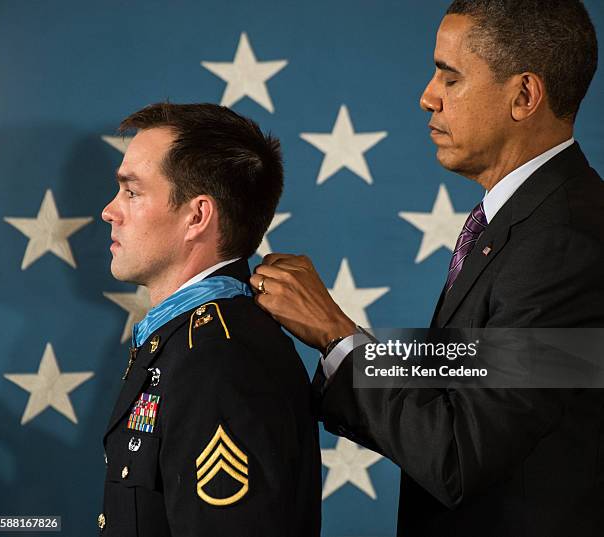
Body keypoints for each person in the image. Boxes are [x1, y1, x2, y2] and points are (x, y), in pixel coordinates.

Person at [251, 1, 604, 536]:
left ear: (524, 96)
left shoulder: (564, 243)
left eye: (450, 76)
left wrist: (336, 335)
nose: (427, 96)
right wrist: (342, 346)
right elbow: (459, 380)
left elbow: (458, 453)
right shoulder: (524, 221)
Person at [99, 103, 321, 536]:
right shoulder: (185, 338)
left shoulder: (220, 358)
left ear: (197, 216)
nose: (110, 210)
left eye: (132, 192)